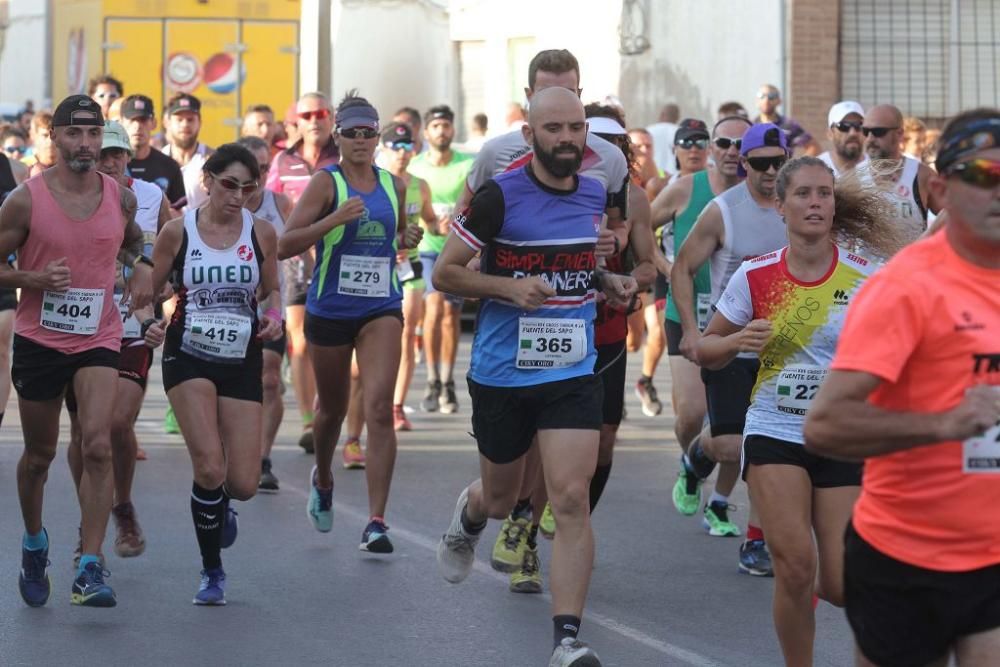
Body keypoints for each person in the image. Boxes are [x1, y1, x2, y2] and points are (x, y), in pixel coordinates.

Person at [434, 86, 637, 667]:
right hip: (503, 372)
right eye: (555, 129)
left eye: (576, 128)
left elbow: (577, 265)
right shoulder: (499, 197)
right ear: (531, 135)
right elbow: (447, 274)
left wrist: (609, 282)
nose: (568, 139)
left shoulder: (594, 193)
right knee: (500, 498)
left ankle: (566, 641)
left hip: (572, 368)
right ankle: (470, 515)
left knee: (571, 497)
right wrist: (505, 287)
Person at [805, 108, 1000, 667]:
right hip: (907, 558)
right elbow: (825, 425)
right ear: (940, 187)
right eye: (983, 175)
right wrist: (943, 423)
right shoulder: (906, 290)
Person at [699, 156, 902, 666]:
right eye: (805, 194)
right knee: (793, 565)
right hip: (774, 431)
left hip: (838, 435)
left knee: (837, 582)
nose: (816, 203)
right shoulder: (756, 276)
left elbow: (899, 349)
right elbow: (705, 348)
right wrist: (738, 340)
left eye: (824, 194)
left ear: (834, 205)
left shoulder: (865, 278)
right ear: (780, 206)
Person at [0, 95, 153, 608]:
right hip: (41, 339)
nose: (85, 144)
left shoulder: (119, 196)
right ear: (55, 137)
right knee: (40, 456)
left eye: (93, 135)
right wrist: (31, 277)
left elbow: (134, 243)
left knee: (98, 445)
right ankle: (34, 540)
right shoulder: (25, 199)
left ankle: (89, 564)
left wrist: (143, 269)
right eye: (74, 134)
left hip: (99, 336)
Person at [278, 91, 422, 553]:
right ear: (338, 136)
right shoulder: (326, 182)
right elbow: (286, 243)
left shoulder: (393, 186)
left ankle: (377, 521)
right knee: (331, 411)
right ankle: (323, 475)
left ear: (377, 136)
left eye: (368, 132)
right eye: (352, 132)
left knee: (379, 407)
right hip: (330, 308)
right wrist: (333, 219)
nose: (361, 140)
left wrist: (407, 236)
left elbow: (392, 238)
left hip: (380, 305)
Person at [147, 142, 282, 605]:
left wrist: (274, 314)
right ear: (207, 181)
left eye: (249, 187)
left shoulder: (261, 232)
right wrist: (151, 319)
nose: (239, 195)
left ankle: (219, 504)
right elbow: (150, 290)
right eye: (229, 185)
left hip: (241, 354)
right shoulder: (176, 231)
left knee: (242, 483)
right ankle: (211, 570)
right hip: (188, 353)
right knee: (209, 465)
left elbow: (272, 290)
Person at [670, 123, 790, 573]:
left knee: (762, 446)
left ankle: (756, 541)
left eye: (779, 163)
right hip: (728, 341)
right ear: (745, 164)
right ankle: (698, 454)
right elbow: (681, 268)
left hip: (782, 351)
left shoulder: (796, 206)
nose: (771, 172)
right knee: (729, 446)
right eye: (761, 163)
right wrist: (691, 331)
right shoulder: (724, 211)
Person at [64, 120, 171, 564]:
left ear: (129, 157)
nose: (110, 162)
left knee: (115, 421)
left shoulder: (150, 199)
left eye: (117, 154)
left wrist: (160, 289)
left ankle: (122, 507)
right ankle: (90, 524)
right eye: (103, 154)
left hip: (133, 325)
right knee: (83, 432)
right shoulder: (69, 196)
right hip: (79, 324)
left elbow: (175, 247)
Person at [653, 114, 751, 519]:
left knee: (739, 422)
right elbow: (643, 227)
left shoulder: (762, 195)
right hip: (688, 312)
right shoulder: (685, 189)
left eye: (740, 145)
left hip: (744, 321)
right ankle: (691, 459)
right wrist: (665, 267)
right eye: (723, 143)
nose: (732, 152)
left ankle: (721, 501)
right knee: (692, 413)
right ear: (712, 149)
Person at [268, 92, 341, 454]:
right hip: (296, 259)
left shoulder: (343, 156)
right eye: (307, 114)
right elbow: (267, 208)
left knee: (326, 339)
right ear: (296, 121)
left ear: (331, 118)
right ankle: (309, 421)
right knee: (298, 338)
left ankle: (326, 409)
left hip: (339, 258)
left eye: (321, 113)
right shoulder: (283, 161)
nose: (314, 120)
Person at [634, 118, 710, 418]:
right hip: (668, 276)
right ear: (675, 149)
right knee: (662, 336)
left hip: (709, 280)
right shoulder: (661, 185)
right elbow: (642, 227)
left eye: (701, 142)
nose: (694, 149)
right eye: (687, 143)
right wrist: (663, 266)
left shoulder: (721, 184)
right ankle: (654, 385)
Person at [407, 105, 474, 415]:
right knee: (432, 309)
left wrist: (459, 223)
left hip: (457, 249)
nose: (442, 131)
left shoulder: (468, 165)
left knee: (450, 314)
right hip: (425, 246)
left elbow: (476, 203)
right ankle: (432, 380)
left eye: (446, 126)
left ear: (453, 130)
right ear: (426, 132)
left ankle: (447, 381)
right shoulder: (416, 167)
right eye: (436, 127)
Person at [236, 136, 294, 492]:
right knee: (234, 384)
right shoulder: (224, 203)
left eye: (265, 168)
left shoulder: (280, 203)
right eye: (252, 167)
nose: (259, 174)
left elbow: (298, 243)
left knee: (270, 379)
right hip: (227, 308)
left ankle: (262, 457)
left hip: (271, 304)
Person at [378, 122, 436, 431]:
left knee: (406, 332)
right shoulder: (376, 182)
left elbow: (430, 220)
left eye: (407, 147)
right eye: (395, 147)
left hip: (408, 266)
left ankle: (396, 405)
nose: (402, 154)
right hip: (376, 267)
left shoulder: (420, 185)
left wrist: (443, 224)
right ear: (383, 149)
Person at [862, 103, 941, 245]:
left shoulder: (922, 175)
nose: (870, 138)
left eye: (878, 132)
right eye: (865, 131)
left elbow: (951, 217)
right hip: (864, 267)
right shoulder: (853, 177)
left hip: (910, 265)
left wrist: (927, 241)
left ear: (899, 133)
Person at [121, 95, 186, 211]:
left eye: (143, 120)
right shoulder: (109, 164)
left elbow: (178, 213)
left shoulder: (170, 166)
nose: (138, 126)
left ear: (154, 123)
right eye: (132, 120)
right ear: (121, 122)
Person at [162, 93, 214, 213]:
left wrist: (216, 185)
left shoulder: (214, 159)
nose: (185, 124)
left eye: (190, 119)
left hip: (202, 230)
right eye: (179, 120)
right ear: (167, 123)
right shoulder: (159, 159)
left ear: (200, 122)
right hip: (168, 230)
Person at [753, 84, 820, 156]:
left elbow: (814, 147)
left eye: (771, 96)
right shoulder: (750, 126)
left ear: (779, 101)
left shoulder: (788, 125)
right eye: (762, 96)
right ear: (756, 101)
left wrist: (798, 165)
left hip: (783, 166)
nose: (766, 100)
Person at [818, 101, 869, 177]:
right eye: (844, 126)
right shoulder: (817, 170)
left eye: (858, 125)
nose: (853, 133)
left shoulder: (876, 170)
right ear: (830, 134)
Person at [646, 102, 680, 175]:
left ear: (662, 114)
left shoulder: (649, 131)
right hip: (675, 175)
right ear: (677, 117)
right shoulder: (681, 132)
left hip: (656, 172)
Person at [26, 112, 57, 177]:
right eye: (45, 135)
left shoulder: (68, 166)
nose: (50, 140)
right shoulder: (23, 166)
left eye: (54, 136)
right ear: (33, 135)